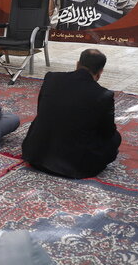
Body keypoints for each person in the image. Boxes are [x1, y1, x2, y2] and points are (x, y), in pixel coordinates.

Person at [23, 49, 121, 178]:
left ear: (77, 64)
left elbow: (41, 110)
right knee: (116, 138)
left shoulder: (51, 78)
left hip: (35, 156)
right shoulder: (103, 95)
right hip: (74, 167)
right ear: (100, 72)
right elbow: (107, 132)